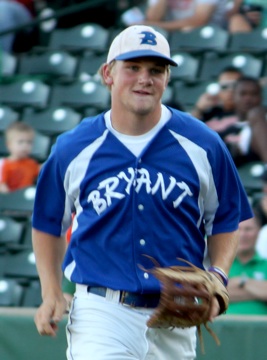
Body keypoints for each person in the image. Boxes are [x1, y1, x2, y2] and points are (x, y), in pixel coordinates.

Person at [31, 25, 252, 360]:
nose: (145, 79)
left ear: (167, 79)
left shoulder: (202, 144)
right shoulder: (74, 148)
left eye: (156, 70)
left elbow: (225, 220)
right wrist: (51, 292)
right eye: (132, 67)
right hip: (102, 312)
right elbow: (48, 223)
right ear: (108, 73)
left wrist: (218, 276)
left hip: (175, 317)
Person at [227, 211, 267, 315]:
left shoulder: (265, 265)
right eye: (238, 229)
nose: (243, 234)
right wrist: (259, 290)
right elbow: (210, 295)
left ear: (259, 231)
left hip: (261, 329)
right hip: (223, 329)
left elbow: (220, 293)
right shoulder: (219, 264)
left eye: (248, 229)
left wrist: (241, 281)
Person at [134, 0, 230, 31]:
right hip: (171, 35)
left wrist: (158, 26)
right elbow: (153, 18)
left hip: (207, 35)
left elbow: (198, 21)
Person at [0, 121, 40, 193]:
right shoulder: (3, 164)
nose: (25, 146)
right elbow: (2, 186)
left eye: (29, 142)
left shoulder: (32, 163)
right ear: (9, 145)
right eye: (20, 142)